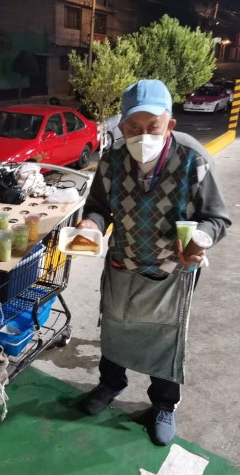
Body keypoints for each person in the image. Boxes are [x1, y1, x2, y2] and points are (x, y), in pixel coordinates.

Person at [78, 79, 231, 445]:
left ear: (170, 125)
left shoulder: (193, 160)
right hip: (123, 263)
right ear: (122, 125)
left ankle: (163, 405)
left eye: (152, 127)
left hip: (172, 271)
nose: (141, 135)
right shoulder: (113, 161)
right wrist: (90, 225)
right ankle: (109, 384)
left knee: (166, 338)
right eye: (133, 127)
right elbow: (99, 207)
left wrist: (201, 240)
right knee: (115, 326)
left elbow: (217, 217)